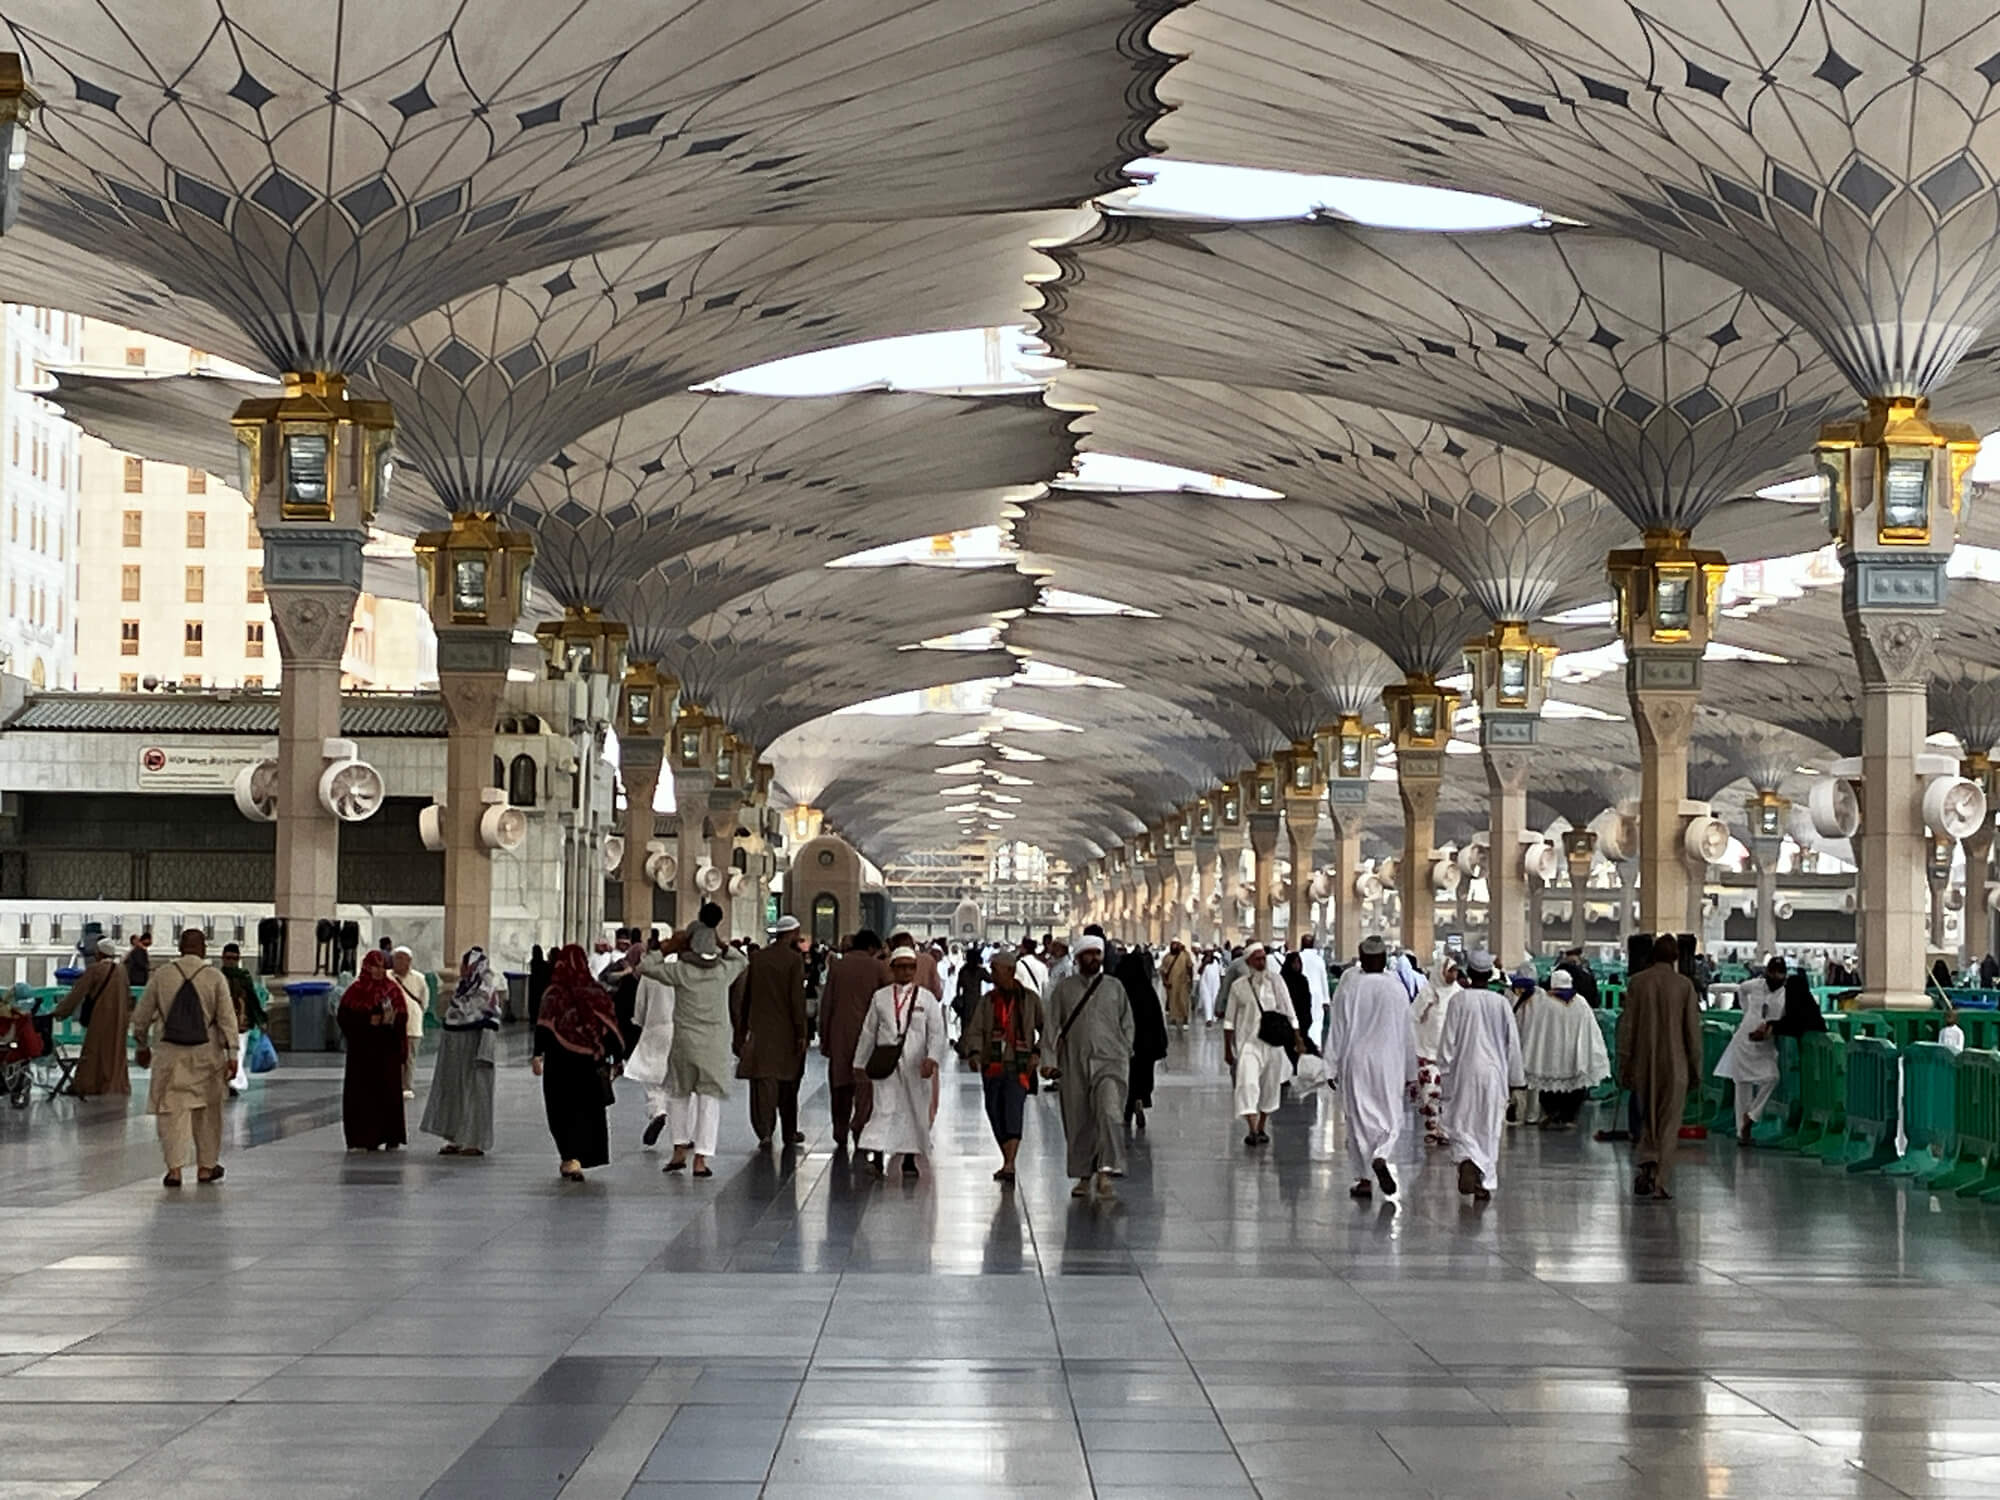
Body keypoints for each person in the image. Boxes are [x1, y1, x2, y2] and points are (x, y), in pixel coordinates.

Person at [130, 929, 237, 1187]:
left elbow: (141, 1016)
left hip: (170, 1054)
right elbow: (227, 1018)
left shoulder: (162, 975)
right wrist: (232, 1053)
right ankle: (206, 1167)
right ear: (203, 949)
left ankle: (175, 1169)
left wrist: (142, 1045)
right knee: (208, 1111)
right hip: (207, 1053)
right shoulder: (214, 977)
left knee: (171, 1111)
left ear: (180, 948)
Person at [648, 905, 748, 1178]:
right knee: (708, 1101)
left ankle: (679, 1150)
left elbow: (645, 967)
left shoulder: (680, 971)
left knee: (679, 1095)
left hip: (685, 1043)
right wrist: (722, 943)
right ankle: (701, 1159)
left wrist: (668, 948)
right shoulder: (723, 972)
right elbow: (742, 961)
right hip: (714, 1046)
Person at [1042, 934, 1133, 1199]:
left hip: (1110, 1062)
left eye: (1097, 953)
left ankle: (1107, 1170)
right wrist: (1048, 1061)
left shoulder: (1114, 987)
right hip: (1074, 1062)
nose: (1093, 958)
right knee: (1079, 1118)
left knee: (1109, 1112)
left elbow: (1127, 1023)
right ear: (1079, 957)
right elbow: (1051, 1026)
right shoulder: (1065, 989)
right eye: (1088, 954)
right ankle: (1084, 1175)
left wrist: (1125, 1050)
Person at [1328, 935, 1419, 1199]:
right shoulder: (1396, 988)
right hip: (1389, 1063)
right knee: (1390, 1117)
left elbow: (1337, 1028)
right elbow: (1407, 1033)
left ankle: (1364, 1180)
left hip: (1355, 1061)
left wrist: (1330, 1065)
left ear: (1362, 959)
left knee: (1358, 1121)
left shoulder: (1349, 986)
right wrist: (1411, 1072)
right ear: (1384, 959)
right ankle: (1381, 1154)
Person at [1617, 933, 1704, 1200]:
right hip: (1677, 1064)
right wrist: (1696, 1069)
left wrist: (1624, 1064)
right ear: (1676, 957)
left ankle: (1648, 1160)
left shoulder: (1637, 983)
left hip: (1644, 1062)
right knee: (1669, 1122)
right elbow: (1692, 1032)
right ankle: (1661, 1180)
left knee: (1649, 1117)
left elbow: (1627, 1028)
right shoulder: (1684, 986)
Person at [852, 945, 949, 1176]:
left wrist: (932, 1058)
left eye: (910, 967)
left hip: (916, 1064)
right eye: (901, 967)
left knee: (913, 1110)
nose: (906, 971)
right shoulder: (881, 997)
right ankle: (876, 1157)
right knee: (883, 1108)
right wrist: (860, 1063)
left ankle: (909, 1160)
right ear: (893, 969)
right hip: (886, 1062)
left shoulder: (926, 999)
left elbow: (937, 1032)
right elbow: (869, 1031)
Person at [532, 944, 625, 1181]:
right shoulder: (596, 992)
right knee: (587, 1112)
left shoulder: (553, 994)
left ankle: (569, 1158)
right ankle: (582, 1157)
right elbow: (610, 1027)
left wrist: (537, 1054)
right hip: (589, 1064)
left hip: (559, 1064)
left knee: (561, 1111)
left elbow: (543, 1027)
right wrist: (616, 1056)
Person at [1438, 949, 1523, 1203]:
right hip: (1493, 1074)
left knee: (1463, 1122)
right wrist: (1516, 1080)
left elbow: (1447, 1043)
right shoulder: (1501, 1003)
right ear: (1489, 975)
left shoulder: (1458, 1001)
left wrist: (1444, 1074)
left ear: (1469, 973)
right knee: (1488, 1127)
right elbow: (1512, 1044)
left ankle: (1467, 1160)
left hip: (1464, 1071)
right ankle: (1483, 1179)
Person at [960, 948, 1042, 1184]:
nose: (993, 975)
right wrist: (975, 1052)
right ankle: (1007, 1159)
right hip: (993, 1064)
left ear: (1010, 971)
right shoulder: (988, 1001)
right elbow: (976, 1029)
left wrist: (1037, 1053)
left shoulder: (1030, 1000)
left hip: (1019, 1065)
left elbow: (1046, 1029)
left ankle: (1010, 1163)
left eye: (996, 970)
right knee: (994, 1111)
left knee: (1013, 1110)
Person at [734, 915, 810, 1149]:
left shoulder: (758, 958)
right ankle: (789, 1131)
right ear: (793, 933)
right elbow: (797, 999)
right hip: (786, 1032)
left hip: (760, 1030)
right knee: (788, 1083)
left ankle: (764, 1131)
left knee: (762, 1083)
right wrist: (801, 1032)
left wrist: (741, 1031)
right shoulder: (794, 960)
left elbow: (745, 996)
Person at [421, 946, 503, 1156]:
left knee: (475, 1093)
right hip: (455, 1051)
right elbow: (453, 1016)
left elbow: (490, 1022)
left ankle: (474, 1141)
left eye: (466, 965)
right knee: (455, 1093)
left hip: (475, 1050)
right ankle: (455, 1138)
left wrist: (485, 1053)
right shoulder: (462, 989)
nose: (462, 969)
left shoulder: (486, 991)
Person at [821, 929, 888, 1151]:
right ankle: (860, 1127)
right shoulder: (878, 968)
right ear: (871, 948)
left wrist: (825, 1037)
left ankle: (839, 1130)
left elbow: (827, 1004)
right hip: (869, 1036)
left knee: (840, 1085)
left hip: (840, 1034)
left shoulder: (837, 967)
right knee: (864, 1087)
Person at [336, 950, 409, 1153]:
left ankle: (390, 1135)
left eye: (382, 967)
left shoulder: (392, 990)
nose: (378, 971)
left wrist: (390, 1020)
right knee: (362, 1096)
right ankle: (362, 1137)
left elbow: (402, 1018)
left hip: (386, 1052)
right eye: (375, 966)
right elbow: (344, 1018)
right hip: (362, 1053)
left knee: (387, 1094)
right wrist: (366, 1022)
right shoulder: (355, 991)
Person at [1519, 968, 1609, 1128]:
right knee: (1575, 1087)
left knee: (1548, 1086)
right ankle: (1568, 1116)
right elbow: (1590, 1030)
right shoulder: (1580, 1002)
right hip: (1574, 1056)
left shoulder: (1544, 1003)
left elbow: (1536, 1029)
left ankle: (1552, 1112)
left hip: (1551, 1054)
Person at [1224, 942, 1292, 1147]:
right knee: (1247, 1084)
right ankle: (1252, 1129)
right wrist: (1228, 1049)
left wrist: (1296, 1038)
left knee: (1270, 1087)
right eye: (1257, 959)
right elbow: (1229, 1021)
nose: (1262, 963)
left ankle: (1262, 1126)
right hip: (1248, 1044)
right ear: (1249, 962)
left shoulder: (1276, 982)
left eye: (1263, 958)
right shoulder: (1238, 987)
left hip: (1272, 1045)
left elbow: (1288, 1010)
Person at [1715, 956, 1787, 1144]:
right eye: (1773, 973)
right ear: (1767, 972)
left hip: (1764, 1044)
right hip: (1744, 1040)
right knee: (1742, 1085)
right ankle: (1742, 1133)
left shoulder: (1785, 995)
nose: (1776, 977)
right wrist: (1747, 1012)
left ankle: (1752, 1115)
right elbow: (1741, 989)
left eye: (1780, 973)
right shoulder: (1755, 985)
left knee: (1772, 1077)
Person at [52, 936, 131, 1099]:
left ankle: (89, 1084)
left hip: (100, 1018)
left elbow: (77, 993)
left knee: (94, 1052)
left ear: (99, 953)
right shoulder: (122, 971)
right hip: (119, 1020)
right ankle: (114, 1084)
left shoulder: (95, 970)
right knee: (115, 1053)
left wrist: (60, 1012)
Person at [625, 943, 677, 1148]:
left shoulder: (650, 974)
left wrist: (639, 1021)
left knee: (651, 1079)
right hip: (680, 1029)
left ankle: (658, 1111)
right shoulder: (682, 972)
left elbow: (640, 1006)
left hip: (655, 1029)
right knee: (678, 1082)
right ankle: (685, 1133)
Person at [1410, 953, 1460, 1148]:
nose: (1453, 975)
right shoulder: (1427, 993)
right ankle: (1432, 1128)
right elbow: (1413, 1017)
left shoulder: (1459, 993)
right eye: (1450, 971)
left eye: (1455, 971)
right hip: (1429, 1051)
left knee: (1448, 1093)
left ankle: (1445, 1130)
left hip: (1451, 1052)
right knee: (1430, 1092)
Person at [1116, 943, 1168, 1130]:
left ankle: (1127, 1110)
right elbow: (1157, 1020)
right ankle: (1140, 1100)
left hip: (1125, 1045)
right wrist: (1161, 1044)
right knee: (1143, 1076)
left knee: (1126, 1077)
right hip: (1146, 1046)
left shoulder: (1119, 992)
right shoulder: (1148, 991)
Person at [216, 942, 264, 1096]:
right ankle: (226, 1082)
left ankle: (233, 1082)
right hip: (223, 1022)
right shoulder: (218, 977)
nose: (231, 962)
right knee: (223, 1054)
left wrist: (260, 1019)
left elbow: (252, 999)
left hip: (241, 1021)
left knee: (239, 1052)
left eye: (234, 959)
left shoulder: (244, 977)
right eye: (228, 958)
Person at [384, 946, 427, 1099]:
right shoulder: (386, 977)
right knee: (391, 1056)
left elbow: (424, 1001)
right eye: (397, 958)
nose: (401, 962)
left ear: (410, 961)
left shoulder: (419, 978)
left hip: (412, 1025)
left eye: (404, 959)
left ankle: (406, 1086)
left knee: (409, 1058)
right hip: (391, 1025)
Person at [1159, 939, 1193, 1032]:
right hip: (1172, 983)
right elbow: (1162, 971)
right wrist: (1165, 981)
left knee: (1184, 1001)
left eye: (1176, 944)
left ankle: (1185, 1020)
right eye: (1173, 944)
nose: (1174, 946)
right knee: (1172, 1002)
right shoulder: (1167, 957)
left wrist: (1190, 981)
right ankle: (1173, 1020)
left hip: (1183, 983)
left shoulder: (1185, 955)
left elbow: (1190, 967)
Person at [1197, 947, 1224, 1027]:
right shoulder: (1202, 960)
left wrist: (1222, 983)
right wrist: (1204, 963)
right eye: (1207, 952)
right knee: (1207, 1000)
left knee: (1215, 998)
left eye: (1211, 952)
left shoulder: (1217, 960)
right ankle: (1208, 1019)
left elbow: (1221, 972)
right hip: (1205, 983)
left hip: (1216, 983)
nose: (1209, 954)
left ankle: (1214, 1016)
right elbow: (1199, 971)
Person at [527, 943, 552, 1027]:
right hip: (541, 986)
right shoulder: (544, 964)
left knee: (533, 1003)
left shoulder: (533, 962)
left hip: (534, 985)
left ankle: (533, 1019)